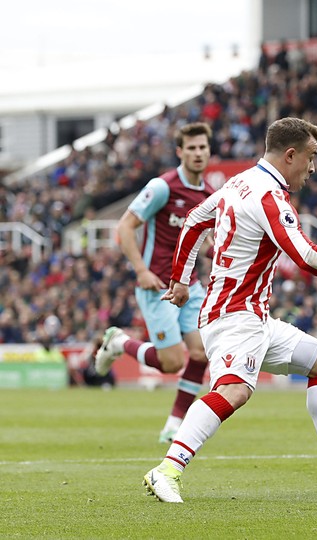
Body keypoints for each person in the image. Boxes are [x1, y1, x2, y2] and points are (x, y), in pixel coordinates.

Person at [143, 117, 317, 503]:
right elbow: (304, 256)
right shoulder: (268, 195)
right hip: (235, 316)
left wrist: (183, 279)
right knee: (234, 391)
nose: (313, 167)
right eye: (311, 156)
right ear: (291, 155)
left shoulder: (235, 182)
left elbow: (194, 221)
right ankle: (167, 469)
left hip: (251, 315)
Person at [94, 122, 215, 443]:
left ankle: (175, 424)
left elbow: (200, 240)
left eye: (202, 147)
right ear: (180, 152)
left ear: (209, 150)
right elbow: (125, 227)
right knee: (172, 362)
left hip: (189, 285)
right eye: (191, 148)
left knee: (201, 353)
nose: (198, 153)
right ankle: (118, 342)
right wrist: (141, 271)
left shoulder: (208, 196)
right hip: (157, 286)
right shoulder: (163, 187)